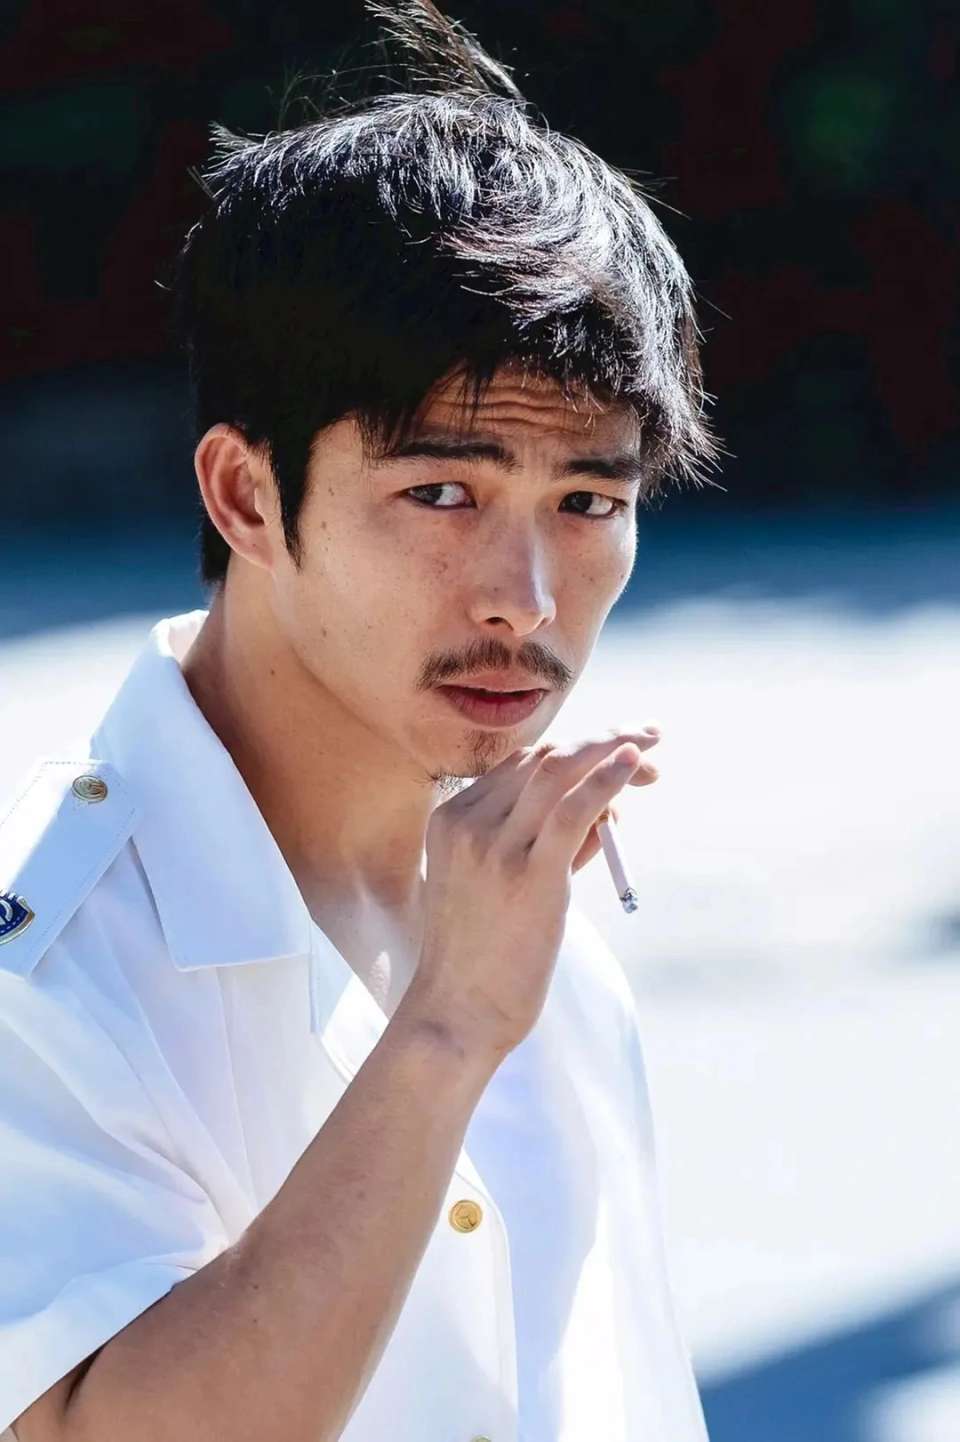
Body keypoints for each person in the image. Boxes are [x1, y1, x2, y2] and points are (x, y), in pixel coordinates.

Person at [0, 2, 724, 1438]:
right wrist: (444, 1031)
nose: (525, 598)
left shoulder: (531, 912)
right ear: (246, 495)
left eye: (588, 500)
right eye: (441, 493)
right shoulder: (49, 956)